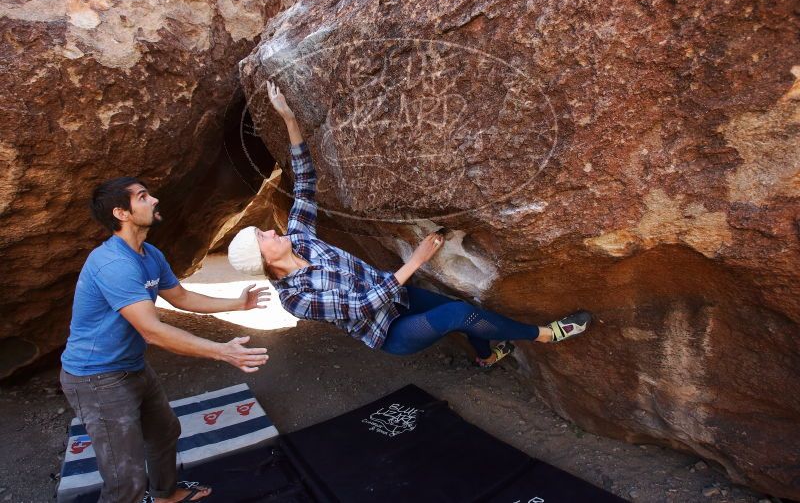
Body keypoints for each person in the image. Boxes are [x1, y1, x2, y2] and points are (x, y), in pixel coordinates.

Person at [227, 81, 590, 367]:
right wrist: (416, 261)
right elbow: (362, 306)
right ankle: (547, 334)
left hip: (399, 296)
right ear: (266, 262)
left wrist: (289, 119)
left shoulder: (300, 239)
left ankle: (486, 355)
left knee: (458, 308)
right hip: (389, 331)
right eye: (264, 236)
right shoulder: (296, 299)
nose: (273, 231)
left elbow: (305, 181)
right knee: (457, 313)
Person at [60, 177, 271, 503]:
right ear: (122, 213)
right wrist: (221, 351)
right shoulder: (113, 264)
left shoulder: (149, 254)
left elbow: (181, 296)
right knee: (124, 478)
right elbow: (152, 330)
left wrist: (237, 303)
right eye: (143, 197)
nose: (154, 200)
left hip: (131, 366)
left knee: (164, 432)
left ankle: (164, 494)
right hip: (96, 378)